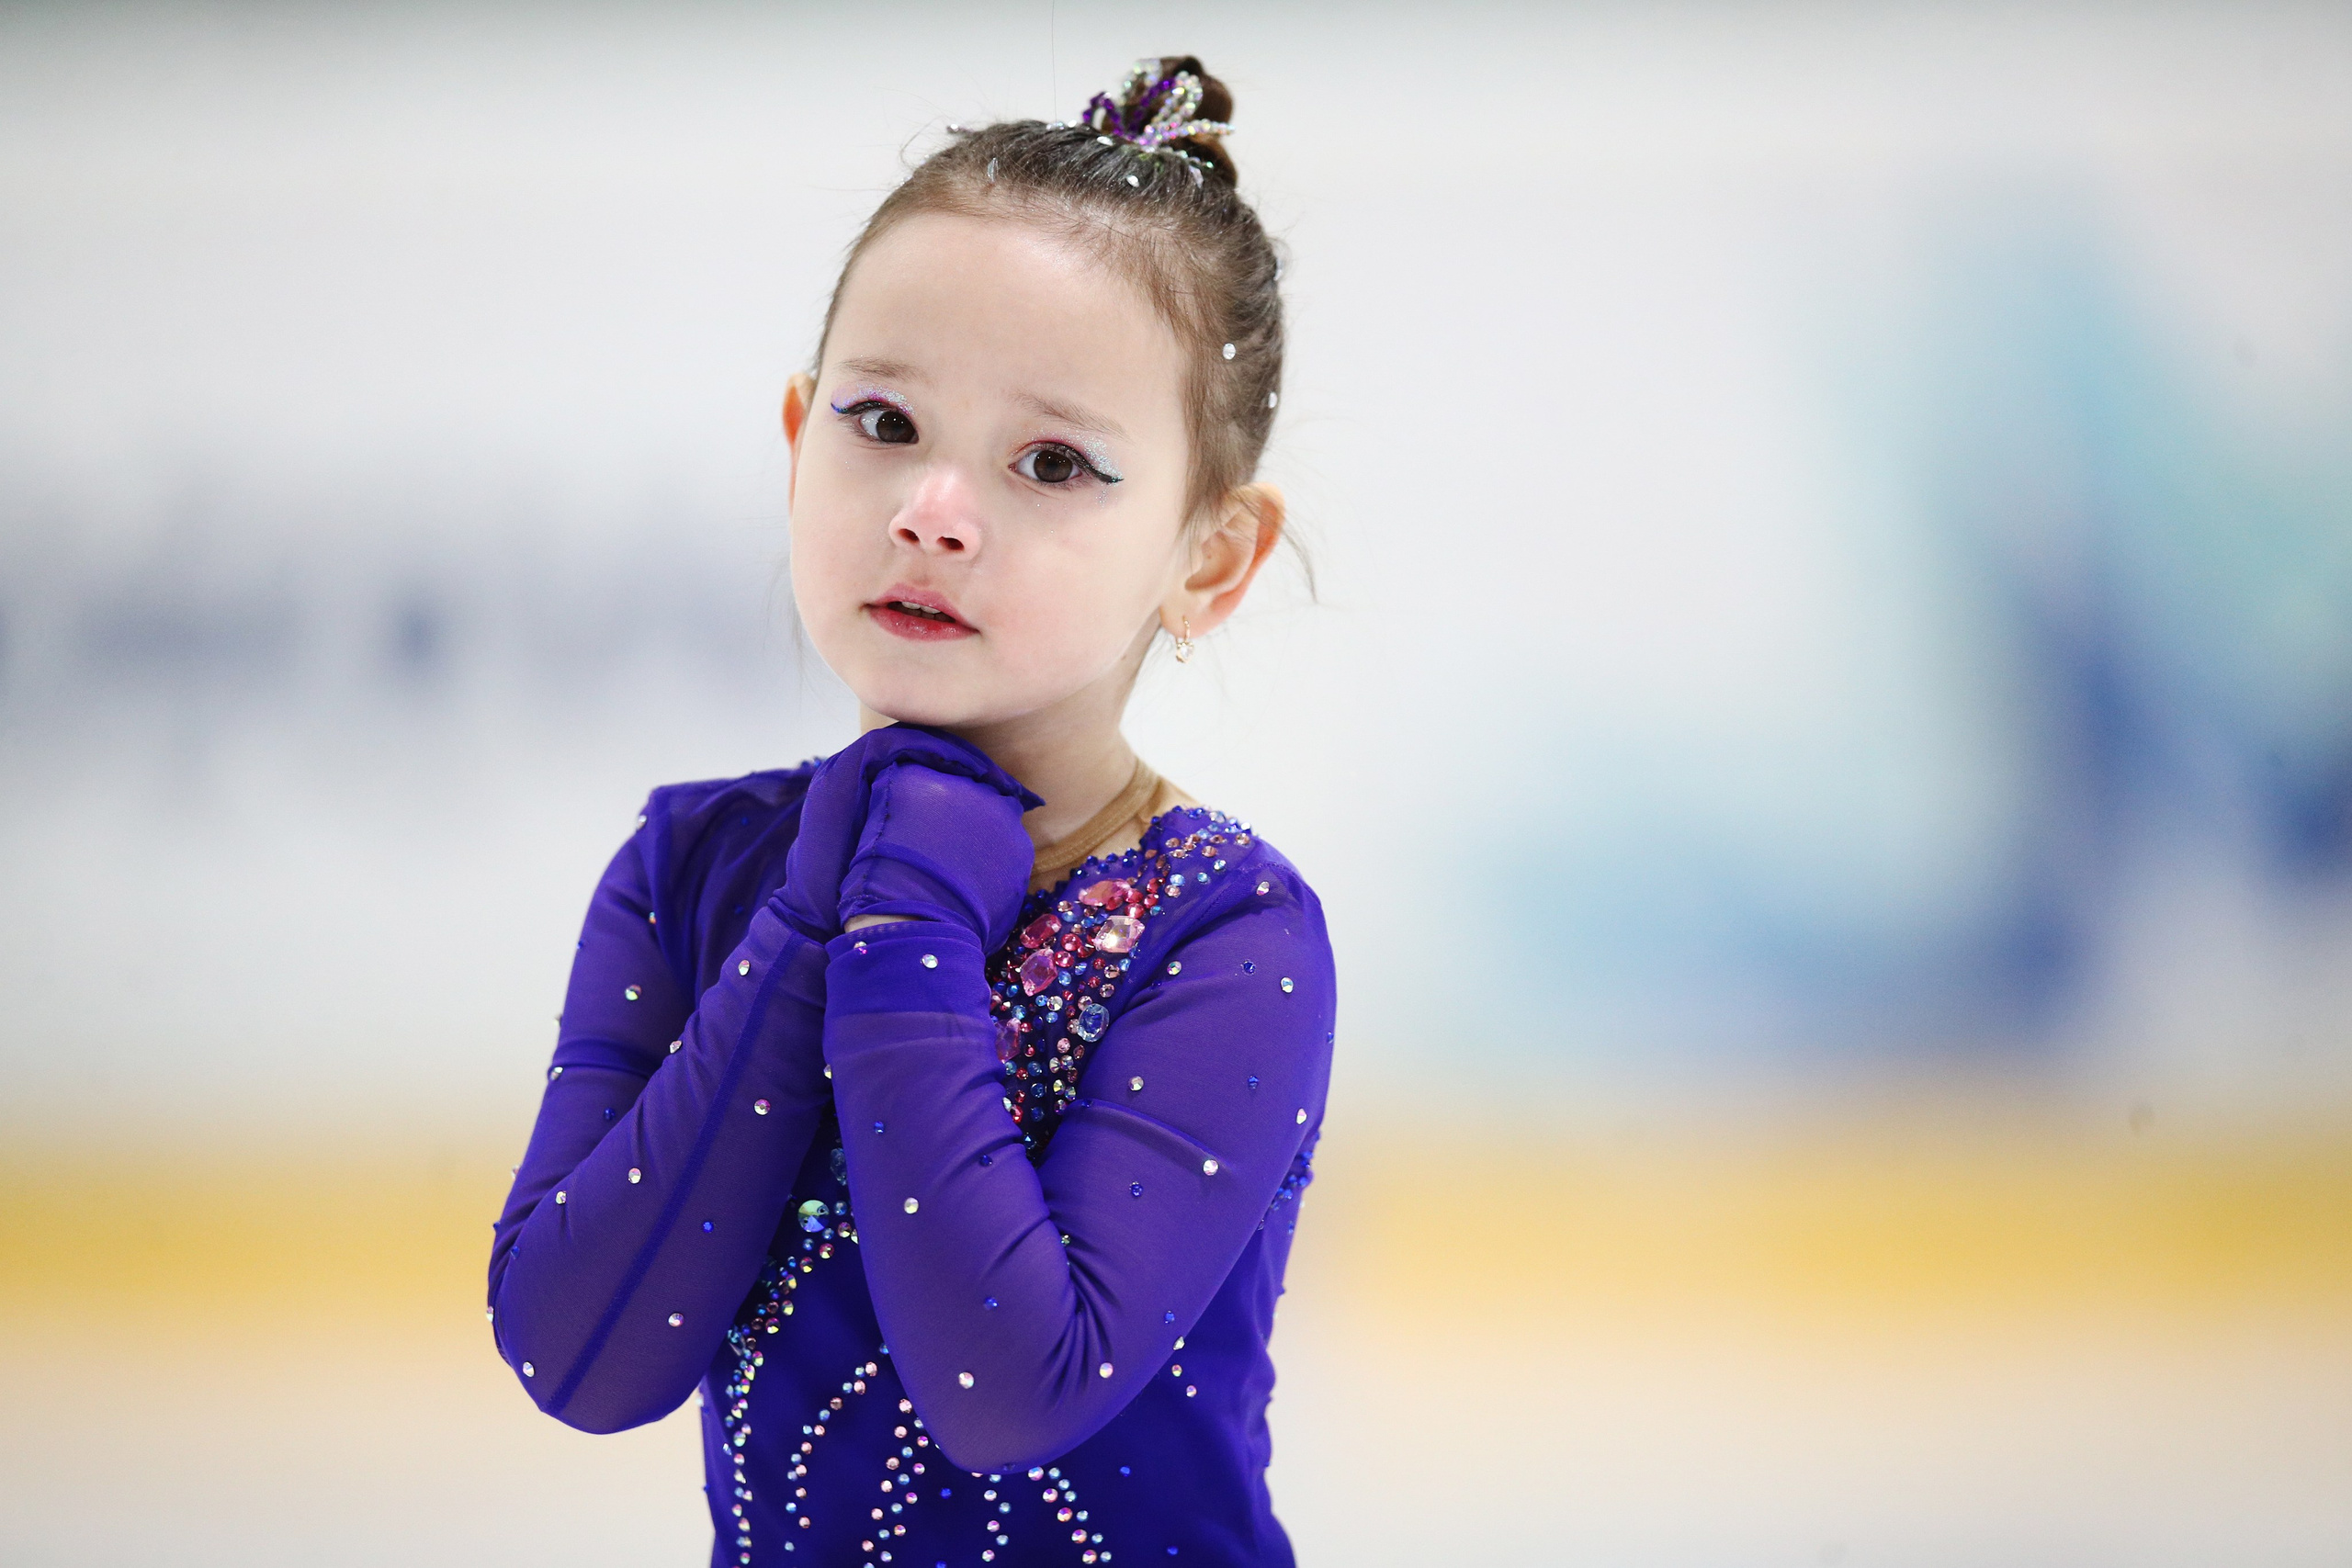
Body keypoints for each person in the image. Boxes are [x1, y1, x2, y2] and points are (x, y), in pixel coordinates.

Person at [486, 56, 1333, 1568]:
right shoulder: (697, 869)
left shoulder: (1226, 933)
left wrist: (906, 912)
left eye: (1053, 462)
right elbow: (581, 1354)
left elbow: (1010, 1389)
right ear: (800, 433)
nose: (934, 507)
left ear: (1209, 554)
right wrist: (811, 908)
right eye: (883, 423)